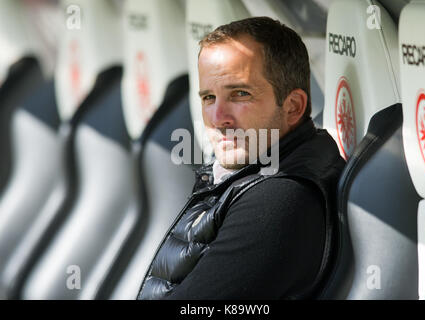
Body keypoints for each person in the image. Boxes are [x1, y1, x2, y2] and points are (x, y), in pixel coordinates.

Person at [137, 16, 345, 300]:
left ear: (293, 107)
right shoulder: (249, 172)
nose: (218, 118)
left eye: (240, 94)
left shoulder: (278, 197)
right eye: (208, 98)